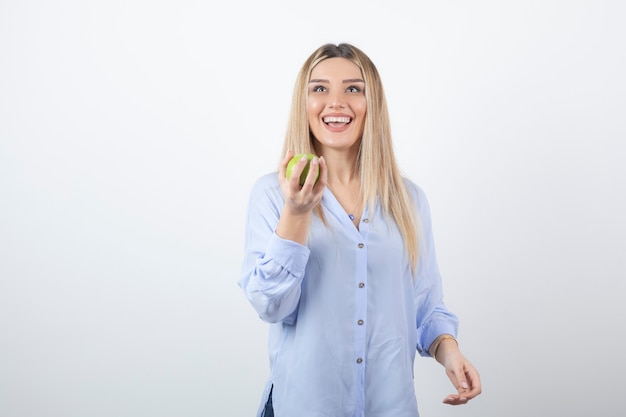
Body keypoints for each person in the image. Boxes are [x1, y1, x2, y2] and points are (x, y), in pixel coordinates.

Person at [238, 43, 481, 417]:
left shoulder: (408, 200)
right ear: (303, 104)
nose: (336, 102)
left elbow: (425, 302)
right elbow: (270, 305)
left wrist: (449, 351)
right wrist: (297, 212)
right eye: (319, 89)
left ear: (373, 104)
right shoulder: (272, 195)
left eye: (353, 88)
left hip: (390, 406)